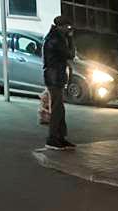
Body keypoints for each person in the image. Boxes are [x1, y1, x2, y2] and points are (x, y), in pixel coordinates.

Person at [43, 15, 75, 150]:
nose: (69, 29)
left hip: (56, 76)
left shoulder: (55, 37)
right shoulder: (56, 40)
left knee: (60, 108)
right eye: (67, 27)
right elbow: (70, 54)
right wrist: (71, 38)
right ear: (60, 27)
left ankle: (60, 137)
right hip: (54, 77)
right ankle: (52, 138)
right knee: (57, 109)